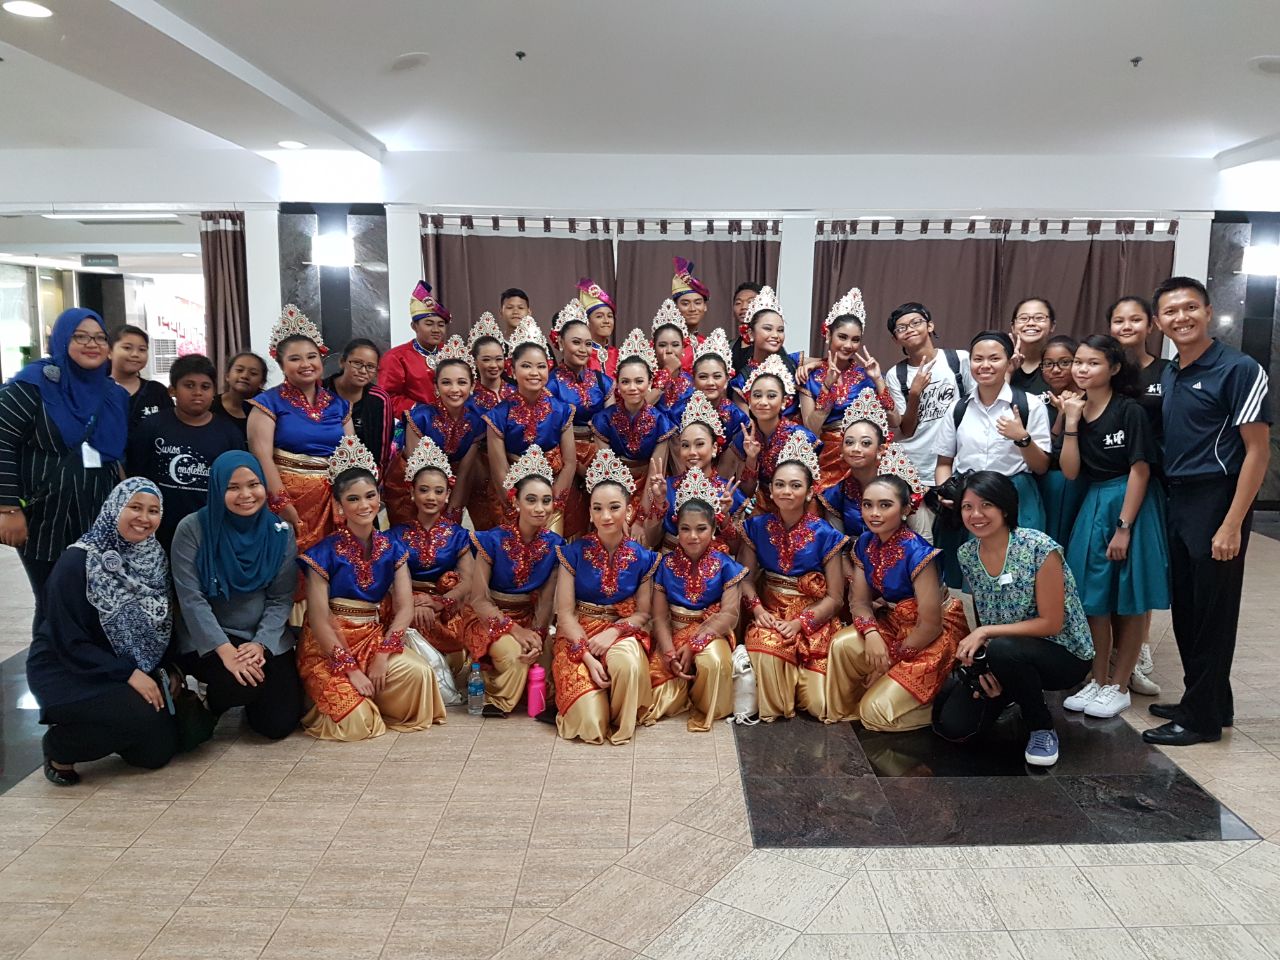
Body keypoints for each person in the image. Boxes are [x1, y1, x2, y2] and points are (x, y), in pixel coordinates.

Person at [1144, 277, 1270, 747]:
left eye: (1190, 308)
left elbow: (1257, 452)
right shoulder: (1174, 370)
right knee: (1190, 608)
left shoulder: (1238, 368)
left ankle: (1200, 721)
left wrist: (1233, 523)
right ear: (1159, 322)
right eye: (1171, 312)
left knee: (1214, 612)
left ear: (1209, 311)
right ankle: (1211, 702)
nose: (1181, 318)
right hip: (1179, 498)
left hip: (1217, 497)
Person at [26, 478, 178, 785]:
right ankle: (59, 747)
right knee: (142, 715)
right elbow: (67, 640)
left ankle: (115, 724)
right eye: (134, 507)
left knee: (157, 753)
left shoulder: (154, 558)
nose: (144, 518)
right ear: (113, 508)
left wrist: (168, 669)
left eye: (153, 510)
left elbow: (163, 623)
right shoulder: (78, 561)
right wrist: (127, 674)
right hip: (68, 669)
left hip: (127, 669)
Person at [936, 471, 1094, 767]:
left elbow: (1051, 623)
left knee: (1004, 650)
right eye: (967, 507)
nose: (976, 515)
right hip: (1006, 650)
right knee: (952, 725)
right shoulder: (968, 554)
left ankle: (1042, 727)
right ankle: (1012, 689)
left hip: (1063, 654)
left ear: (1005, 508)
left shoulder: (1039, 548)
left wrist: (986, 635)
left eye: (986, 505)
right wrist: (985, 663)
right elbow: (986, 608)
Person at [295, 437, 445, 741]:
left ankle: (371, 696)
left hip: (373, 638)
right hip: (330, 647)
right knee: (359, 726)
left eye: (370, 496)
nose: (364, 505)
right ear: (339, 505)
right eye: (353, 499)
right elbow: (320, 620)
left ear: (379, 498)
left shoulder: (393, 548)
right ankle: (353, 699)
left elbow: (404, 608)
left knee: (419, 676)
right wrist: (350, 669)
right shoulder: (322, 553)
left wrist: (383, 654)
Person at [1057, 335, 1169, 719]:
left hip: (1130, 503)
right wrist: (1070, 421)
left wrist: (1124, 527)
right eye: (1079, 362)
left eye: (1093, 363)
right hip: (1095, 501)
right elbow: (1071, 472)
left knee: (1130, 596)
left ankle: (1119, 686)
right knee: (1094, 598)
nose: (1082, 370)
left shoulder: (1129, 411)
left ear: (1115, 369)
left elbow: (1141, 470)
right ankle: (1098, 678)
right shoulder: (1076, 408)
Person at [0, 308, 129, 627]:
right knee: (52, 598)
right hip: (45, 519)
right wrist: (7, 509)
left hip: (98, 516)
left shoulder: (113, 394)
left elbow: (117, 455)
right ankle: (49, 672)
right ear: (60, 340)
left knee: (91, 599)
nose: (92, 344)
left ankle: (84, 671)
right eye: (80, 336)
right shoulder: (32, 387)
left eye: (100, 337)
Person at [170, 452, 301, 741]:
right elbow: (191, 599)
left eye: (253, 484)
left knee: (277, 724)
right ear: (217, 489)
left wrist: (262, 644)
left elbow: (280, 598)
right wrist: (225, 650)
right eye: (233, 488)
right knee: (240, 684)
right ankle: (211, 702)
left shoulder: (280, 532)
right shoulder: (193, 529)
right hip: (210, 636)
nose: (245, 495)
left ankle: (245, 696)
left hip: (259, 635)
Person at [831, 475, 967, 729]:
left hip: (931, 635)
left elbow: (930, 626)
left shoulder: (919, 553)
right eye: (867, 505)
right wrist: (871, 633)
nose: (874, 513)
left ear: (905, 509)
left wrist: (888, 660)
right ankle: (859, 704)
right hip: (894, 623)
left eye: (885, 505)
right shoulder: (865, 543)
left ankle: (943, 703)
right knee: (841, 645)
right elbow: (859, 602)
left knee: (875, 714)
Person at [738, 432, 849, 721]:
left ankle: (797, 685)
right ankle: (778, 704)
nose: (787, 491)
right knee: (765, 643)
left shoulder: (827, 535)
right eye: (780, 485)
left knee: (819, 706)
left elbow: (836, 598)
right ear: (771, 491)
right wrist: (758, 609)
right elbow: (745, 579)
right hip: (770, 611)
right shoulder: (756, 527)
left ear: (810, 492)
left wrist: (802, 623)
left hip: (814, 615)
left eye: (795, 485)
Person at [552, 450, 658, 744]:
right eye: (598, 508)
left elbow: (643, 613)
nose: (606, 516)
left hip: (622, 631)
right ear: (589, 512)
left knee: (626, 663)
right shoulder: (571, 553)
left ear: (628, 509)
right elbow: (565, 614)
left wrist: (614, 631)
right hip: (577, 634)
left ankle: (621, 716)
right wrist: (585, 653)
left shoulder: (643, 557)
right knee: (590, 725)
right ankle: (597, 700)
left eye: (614, 507)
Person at [933, 331, 1051, 587]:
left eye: (994, 358)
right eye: (978, 359)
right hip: (971, 498)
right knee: (976, 578)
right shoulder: (958, 408)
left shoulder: (1029, 405)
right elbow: (944, 462)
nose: (985, 365)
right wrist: (945, 489)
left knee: (1019, 578)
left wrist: (1022, 438)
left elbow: (1040, 466)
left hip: (1016, 497)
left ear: (1009, 362)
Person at [460, 445, 563, 715]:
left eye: (546, 500)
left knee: (552, 650)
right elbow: (478, 600)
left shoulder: (555, 546)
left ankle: (543, 699)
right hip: (487, 617)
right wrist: (516, 631)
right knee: (515, 654)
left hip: (528, 618)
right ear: (516, 501)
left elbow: (546, 601)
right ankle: (497, 699)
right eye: (531, 500)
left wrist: (538, 634)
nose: (540, 508)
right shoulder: (491, 540)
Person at [247, 306, 352, 556]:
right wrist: (281, 502)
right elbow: (262, 458)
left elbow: (351, 456)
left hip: (335, 498)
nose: (306, 364)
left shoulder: (339, 404)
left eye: (311, 356)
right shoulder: (267, 404)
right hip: (290, 496)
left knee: (336, 561)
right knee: (291, 563)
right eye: (295, 359)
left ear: (321, 358)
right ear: (281, 364)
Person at [646, 469, 746, 731]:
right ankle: (683, 690)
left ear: (714, 529)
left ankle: (704, 704)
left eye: (701, 529)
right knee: (655, 699)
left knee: (712, 662)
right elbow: (658, 617)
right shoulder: (664, 565)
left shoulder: (726, 566)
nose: (693, 536)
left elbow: (729, 615)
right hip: (673, 632)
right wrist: (668, 651)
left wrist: (694, 644)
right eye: (686, 529)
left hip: (711, 633)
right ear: (676, 531)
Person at [1108, 295, 1167, 696]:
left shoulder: (1168, 371)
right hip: (1104, 481)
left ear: (1152, 326)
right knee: (1106, 575)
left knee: (1138, 573)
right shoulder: (1104, 370)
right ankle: (1110, 655)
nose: (1127, 326)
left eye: (1135, 319)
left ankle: (1139, 651)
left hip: (1149, 479)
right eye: (1119, 320)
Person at [126, 354, 245, 549]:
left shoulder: (229, 434)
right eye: (189, 385)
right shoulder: (152, 427)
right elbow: (136, 476)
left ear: (215, 391)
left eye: (205, 387)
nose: (197, 392)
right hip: (156, 530)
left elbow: (236, 485)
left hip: (210, 531)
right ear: (172, 390)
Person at [388, 437, 473, 691]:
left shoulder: (459, 535)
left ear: (448, 495)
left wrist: (439, 602)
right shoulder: (395, 535)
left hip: (444, 605)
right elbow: (386, 581)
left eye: (438, 491)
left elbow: (468, 580)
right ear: (412, 492)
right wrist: (412, 602)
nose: (431, 497)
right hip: (406, 604)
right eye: (424, 490)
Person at [483, 317, 577, 535]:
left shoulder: (562, 411)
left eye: (541, 366)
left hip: (552, 499)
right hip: (512, 499)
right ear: (512, 370)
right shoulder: (498, 415)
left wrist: (551, 502)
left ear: (548, 369)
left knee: (551, 552)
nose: (534, 372)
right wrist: (516, 503)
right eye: (526, 366)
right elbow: (500, 471)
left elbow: (570, 463)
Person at [799, 288, 889, 492]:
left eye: (855, 339)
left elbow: (894, 421)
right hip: (829, 456)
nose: (849, 345)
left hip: (866, 451)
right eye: (842, 337)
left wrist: (878, 381)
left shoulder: (868, 373)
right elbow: (811, 429)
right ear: (828, 335)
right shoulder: (810, 376)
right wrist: (827, 386)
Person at [640, 391, 747, 554]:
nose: (691, 452)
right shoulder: (667, 487)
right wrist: (659, 502)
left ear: (714, 448)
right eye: (685, 445)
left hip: (713, 573)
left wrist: (724, 517)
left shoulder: (728, 492)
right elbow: (651, 540)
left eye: (699, 444)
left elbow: (736, 549)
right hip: (671, 568)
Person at [820, 388, 930, 542]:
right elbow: (836, 546)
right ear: (841, 450)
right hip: (854, 562)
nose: (856, 449)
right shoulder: (837, 494)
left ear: (881, 449)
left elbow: (924, 538)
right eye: (849, 442)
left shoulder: (902, 487)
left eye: (865, 443)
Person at [884, 302, 973, 486]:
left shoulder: (958, 359)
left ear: (930, 325)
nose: (910, 329)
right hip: (913, 464)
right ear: (895, 339)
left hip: (955, 461)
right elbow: (907, 429)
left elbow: (976, 406)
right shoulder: (896, 374)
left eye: (916, 322)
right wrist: (915, 393)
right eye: (901, 328)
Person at [398, 336, 484, 524]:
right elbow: (415, 472)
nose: (454, 389)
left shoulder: (476, 420)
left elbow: (465, 473)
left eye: (461, 382)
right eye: (446, 383)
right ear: (436, 387)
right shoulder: (420, 418)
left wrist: (453, 510)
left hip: (452, 488)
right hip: (412, 492)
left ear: (472, 386)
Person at [550, 299, 614, 539]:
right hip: (566, 457)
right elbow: (552, 433)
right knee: (572, 520)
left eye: (587, 344)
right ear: (560, 343)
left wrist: (600, 460)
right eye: (575, 342)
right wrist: (577, 468)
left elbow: (610, 425)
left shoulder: (602, 381)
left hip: (598, 454)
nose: (582, 349)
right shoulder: (551, 383)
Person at [592, 328, 675, 508]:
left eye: (639, 381)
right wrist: (618, 509)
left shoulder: (662, 422)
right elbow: (606, 470)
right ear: (618, 385)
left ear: (650, 383)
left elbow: (655, 472)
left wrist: (642, 516)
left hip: (649, 490)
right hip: (613, 491)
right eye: (625, 382)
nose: (632, 387)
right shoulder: (603, 420)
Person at [730, 354, 820, 513]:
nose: (763, 402)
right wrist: (751, 458)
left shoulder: (800, 436)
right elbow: (747, 492)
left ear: (785, 401)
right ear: (749, 401)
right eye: (757, 396)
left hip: (798, 510)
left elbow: (813, 487)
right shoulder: (746, 436)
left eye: (771, 396)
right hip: (763, 507)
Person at [1036, 335, 1090, 548]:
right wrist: (1060, 414)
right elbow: (1049, 446)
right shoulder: (1042, 401)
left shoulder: (1091, 398)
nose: (1055, 369)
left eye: (1064, 362)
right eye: (1048, 364)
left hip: (1079, 481)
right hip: (1048, 481)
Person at [465, 313, 515, 531]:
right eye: (486, 359)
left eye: (498, 358)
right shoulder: (468, 398)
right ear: (475, 361)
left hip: (514, 467)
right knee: (487, 532)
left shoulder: (516, 392)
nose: (494, 365)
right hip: (481, 472)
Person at [379, 281, 451, 418]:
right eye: (429, 324)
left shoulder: (451, 352)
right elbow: (388, 398)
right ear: (414, 326)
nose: (436, 330)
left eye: (441, 325)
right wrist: (421, 412)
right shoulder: (396, 357)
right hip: (416, 426)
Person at [731, 286, 803, 421]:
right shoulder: (742, 379)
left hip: (795, 438)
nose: (775, 335)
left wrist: (810, 366)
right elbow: (745, 427)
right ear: (751, 333)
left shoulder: (793, 363)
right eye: (767, 329)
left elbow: (826, 361)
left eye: (780, 330)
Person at [324, 339, 394, 474]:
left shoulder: (379, 399)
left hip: (363, 474)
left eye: (370, 366)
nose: (363, 371)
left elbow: (382, 453)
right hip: (323, 472)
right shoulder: (322, 390)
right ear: (343, 362)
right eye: (357, 363)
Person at [690, 328, 750, 450]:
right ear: (693, 381)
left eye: (717, 376)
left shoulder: (736, 417)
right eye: (703, 377)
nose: (710, 383)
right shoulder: (681, 411)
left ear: (727, 380)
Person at [110, 324, 172, 426]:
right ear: (109, 352)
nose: (135, 354)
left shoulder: (157, 390)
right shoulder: (97, 390)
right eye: (127, 348)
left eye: (142, 349)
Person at [650, 301, 695, 415]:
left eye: (675, 345)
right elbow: (642, 407)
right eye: (662, 345)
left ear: (683, 348)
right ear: (653, 347)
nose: (669, 350)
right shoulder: (646, 378)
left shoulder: (692, 381)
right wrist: (667, 371)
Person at [213, 351, 268, 437]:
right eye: (239, 370)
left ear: (262, 382)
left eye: (253, 373)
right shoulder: (210, 406)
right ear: (227, 375)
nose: (244, 376)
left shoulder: (266, 411)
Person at [1009, 297, 1056, 395]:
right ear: (1013, 327)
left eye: (1039, 318)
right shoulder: (1000, 364)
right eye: (1023, 318)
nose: (1030, 323)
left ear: (1052, 325)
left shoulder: (1060, 366)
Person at [671, 256, 710, 370]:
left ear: (705, 306)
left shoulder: (708, 344)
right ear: (675, 307)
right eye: (685, 303)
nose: (692, 309)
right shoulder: (666, 343)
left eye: (697, 303)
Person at [578, 278, 619, 378]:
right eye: (599, 316)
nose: (606, 321)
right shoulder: (581, 355)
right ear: (587, 321)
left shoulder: (619, 355)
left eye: (610, 316)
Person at [729, 281, 764, 373]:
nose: (744, 306)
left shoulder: (769, 343)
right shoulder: (728, 346)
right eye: (738, 303)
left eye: (750, 302)